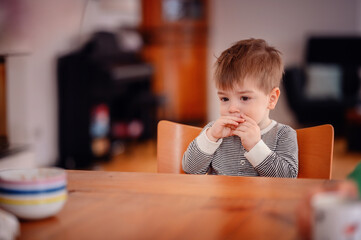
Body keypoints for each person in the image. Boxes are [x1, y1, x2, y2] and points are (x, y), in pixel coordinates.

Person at [182, 38, 298, 177]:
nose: (232, 108)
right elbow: (191, 169)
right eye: (225, 99)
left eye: (244, 98)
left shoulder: (283, 135)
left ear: (271, 99)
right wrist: (211, 137)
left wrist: (256, 147)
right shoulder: (214, 132)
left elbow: (288, 178)